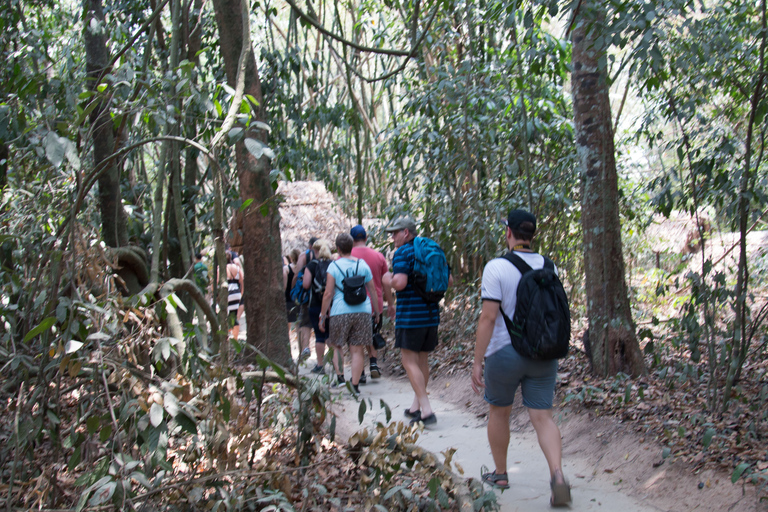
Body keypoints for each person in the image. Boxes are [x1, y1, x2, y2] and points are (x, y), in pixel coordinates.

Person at [470, 209, 571, 506]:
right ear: (533, 235)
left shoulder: (496, 267)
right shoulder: (547, 265)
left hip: (505, 353)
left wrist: (477, 360)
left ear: (509, 233)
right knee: (542, 417)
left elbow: (488, 318)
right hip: (543, 353)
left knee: (500, 412)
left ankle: (500, 474)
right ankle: (558, 476)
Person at [382, 215, 451, 426]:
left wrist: (388, 279)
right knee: (422, 361)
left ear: (406, 233)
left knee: (408, 361)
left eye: (395, 232)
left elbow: (400, 283)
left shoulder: (402, 252)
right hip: (430, 315)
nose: (392, 237)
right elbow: (441, 279)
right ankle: (416, 407)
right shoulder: (428, 248)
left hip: (411, 316)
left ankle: (427, 411)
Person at [319, 233, 380, 393]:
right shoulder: (363, 265)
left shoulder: (334, 266)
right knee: (357, 349)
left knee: (337, 345)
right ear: (351, 247)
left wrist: (323, 315)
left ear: (338, 248)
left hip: (340, 311)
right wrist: (377, 312)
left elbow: (328, 293)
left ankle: (340, 378)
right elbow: (372, 289)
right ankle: (354, 386)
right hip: (362, 311)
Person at [350, 224, 387, 381]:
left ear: (351, 240)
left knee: (357, 339)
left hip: (352, 304)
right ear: (366, 238)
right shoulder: (379, 256)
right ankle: (373, 363)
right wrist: (389, 304)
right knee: (372, 333)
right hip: (374, 303)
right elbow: (386, 282)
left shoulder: (346, 256)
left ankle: (361, 374)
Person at [303, 239, 335, 374]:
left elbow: (305, 284)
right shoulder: (333, 264)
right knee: (329, 335)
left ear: (315, 251)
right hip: (332, 304)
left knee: (319, 335)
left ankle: (320, 365)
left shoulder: (312, 265)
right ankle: (336, 364)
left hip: (316, 304)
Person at [294, 237, 318, 361]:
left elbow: (297, 273)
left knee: (305, 323)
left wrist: (293, 290)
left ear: (309, 246)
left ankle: (305, 348)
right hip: (322, 294)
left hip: (308, 295)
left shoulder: (304, 256)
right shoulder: (326, 256)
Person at [226, 251, 244, 340]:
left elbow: (217, 283)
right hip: (236, 293)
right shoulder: (237, 268)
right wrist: (241, 294)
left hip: (227, 294)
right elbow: (242, 281)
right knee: (234, 315)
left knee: (226, 315)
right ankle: (235, 339)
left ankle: (225, 337)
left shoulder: (223, 269)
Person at [283, 248, 301, 334]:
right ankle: (301, 345)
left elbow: (284, 286)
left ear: (291, 257)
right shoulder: (303, 268)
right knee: (299, 324)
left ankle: (288, 343)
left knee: (287, 323)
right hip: (300, 298)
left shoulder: (286, 269)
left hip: (289, 299)